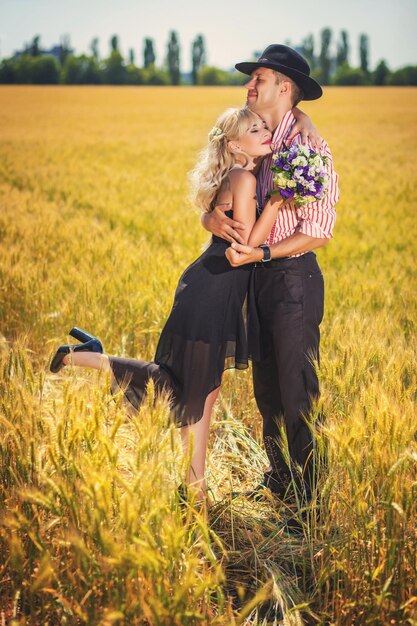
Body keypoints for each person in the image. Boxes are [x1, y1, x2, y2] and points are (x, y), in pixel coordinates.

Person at [49, 105, 318, 504]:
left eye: (265, 126)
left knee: (203, 390)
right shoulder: (243, 178)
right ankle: (84, 358)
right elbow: (243, 248)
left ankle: (195, 485)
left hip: (216, 289)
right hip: (214, 289)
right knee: (187, 388)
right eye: (255, 128)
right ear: (233, 144)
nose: (264, 130)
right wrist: (278, 203)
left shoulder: (242, 174)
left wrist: (303, 123)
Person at [202, 45, 339, 502]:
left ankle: (307, 504)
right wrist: (210, 219)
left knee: (297, 392)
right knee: (268, 393)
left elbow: (318, 232)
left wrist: (260, 253)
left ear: (284, 86)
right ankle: (280, 483)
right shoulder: (261, 139)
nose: (248, 87)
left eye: (256, 79)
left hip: (292, 280)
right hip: (257, 280)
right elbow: (222, 188)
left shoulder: (310, 149)